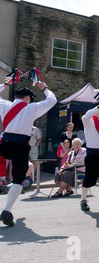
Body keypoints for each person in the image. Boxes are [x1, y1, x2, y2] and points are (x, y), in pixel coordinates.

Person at [0, 82, 56, 227]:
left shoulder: (4, 104)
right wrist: (44, 88)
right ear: (26, 98)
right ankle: (6, 210)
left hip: (4, 144)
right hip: (20, 146)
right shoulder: (31, 108)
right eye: (30, 98)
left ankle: (9, 186)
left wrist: (6, 83)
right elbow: (52, 100)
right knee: (19, 179)